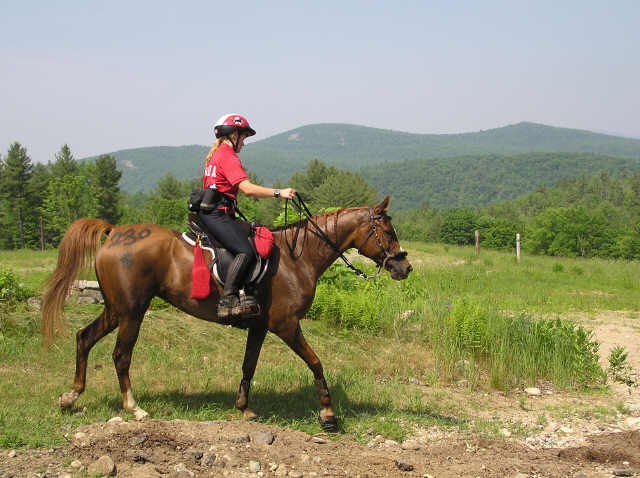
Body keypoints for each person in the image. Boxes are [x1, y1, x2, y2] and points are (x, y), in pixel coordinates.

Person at [200, 113, 296, 319]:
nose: (244, 142)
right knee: (246, 252)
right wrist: (280, 192)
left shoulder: (216, 156)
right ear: (233, 135)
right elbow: (248, 189)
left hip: (215, 213)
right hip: (217, 215)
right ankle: (228, 300)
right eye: (243, 137)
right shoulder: (227, 156)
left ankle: (247, 295)